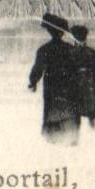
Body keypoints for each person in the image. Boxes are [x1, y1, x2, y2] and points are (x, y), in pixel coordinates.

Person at [28, 14, 80, 142]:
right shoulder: (71, 49)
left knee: (51, 109)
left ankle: (51, 137)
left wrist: (33, 82)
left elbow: (38, 68)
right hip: (67, 85)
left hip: (51, 85)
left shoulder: (44, 49)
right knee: (66, 108)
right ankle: (69, 136)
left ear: (49, 32)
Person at [69, 25, 95, 129]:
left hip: (77, 85)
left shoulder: (70, 52)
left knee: (76, 112)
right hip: (89, 85)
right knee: (90, 113)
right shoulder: (91, 52)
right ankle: (91, 128)